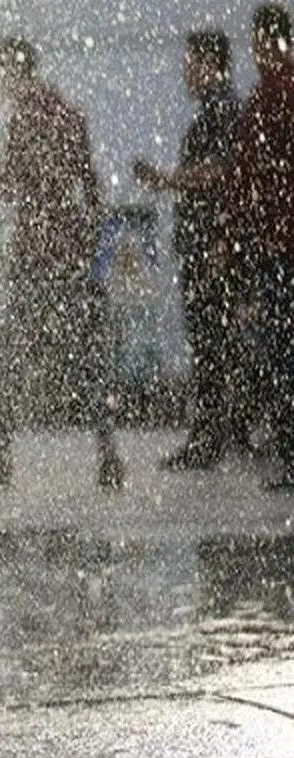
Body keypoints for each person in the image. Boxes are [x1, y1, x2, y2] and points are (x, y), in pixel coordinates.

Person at [0, 36, 124, 490]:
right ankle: (108, 453)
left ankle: (2, 454)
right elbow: (89, 184)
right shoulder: (70, 113)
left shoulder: (24, 118)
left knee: (14, 355)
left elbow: (18, 190)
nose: (1, 86)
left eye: (2, 75)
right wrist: (86, 241)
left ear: (17, 72)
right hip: (70, 253)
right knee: (86, 355)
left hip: (36, 253)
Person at [135, 31, 243, 470]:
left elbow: (219, 173)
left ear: (211, 64)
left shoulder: (222, 109)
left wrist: (167, 179)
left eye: (192, 63)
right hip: (207, 245)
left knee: (211, 345)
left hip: (210, 249)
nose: (186, 72)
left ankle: (210, 440)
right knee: (215, 344)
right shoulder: (217, 109)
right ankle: (220, 434)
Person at [221, 4, 294, 489]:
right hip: (280, 238)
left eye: (257, 42)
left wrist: (228, 232)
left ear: (269, 42)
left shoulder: (271, 95)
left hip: (280, 244)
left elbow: (245, 174)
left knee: (283, 352)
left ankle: (290, 454)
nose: (254, 50)